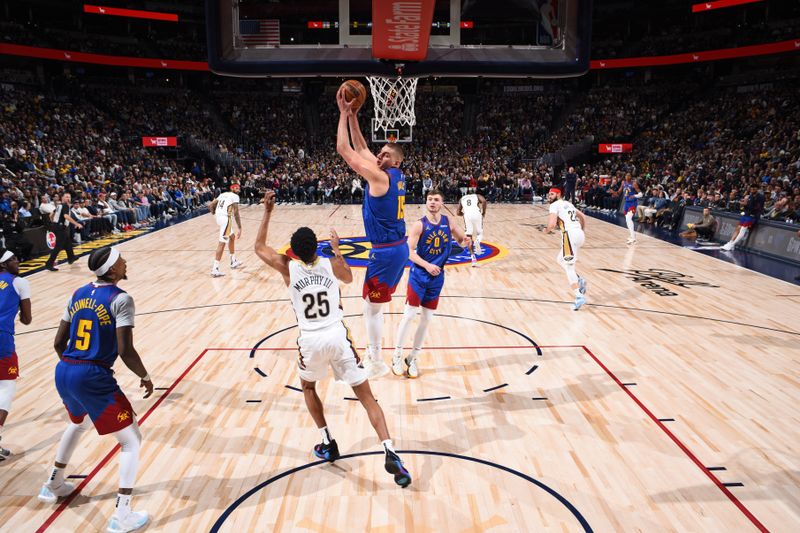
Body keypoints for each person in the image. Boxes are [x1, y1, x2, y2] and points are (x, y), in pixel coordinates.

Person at [253, 191, 411, 487]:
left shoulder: (288, 267)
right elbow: (349, 278)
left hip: (310, 340)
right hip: (338, 337)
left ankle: (327, 441)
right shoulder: (329, 263)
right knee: (366, 396)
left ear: (295, 252)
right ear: (317, 247)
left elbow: (259, 246)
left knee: (309, 387)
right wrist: (337, 251)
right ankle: (390, 450)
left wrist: (268, 212)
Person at [38, 247, 154, 533]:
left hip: (65, 368)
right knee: (131, 440)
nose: (126, 262)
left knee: (77, 424)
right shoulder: (121, 299)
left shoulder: (77, 293)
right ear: (113, 271)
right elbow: (126, 350)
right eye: (121, 260)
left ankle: (52, 482)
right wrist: (146, 375)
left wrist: (73, 367)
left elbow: (57, 342)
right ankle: (122, 515)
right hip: (92, 375)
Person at [335, 86, 408, 379]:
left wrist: (341, 113)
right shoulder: (393, 174)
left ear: (396, 161)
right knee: (371, 306)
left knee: (371, 309)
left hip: (387, 252)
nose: (379, 155)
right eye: (381, 152)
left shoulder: (379, 176)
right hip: (394, 249)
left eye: (386, 154)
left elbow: (346, 150)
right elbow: (363, 148)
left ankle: (376, 361)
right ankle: (374, 355)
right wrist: (354, 116)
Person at [392, 190, 470, 378]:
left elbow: (461, 240)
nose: (433, 202)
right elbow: (409, 252)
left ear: (442, 203)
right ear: (426, 202)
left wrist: (466, 241)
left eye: (436, 200)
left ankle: (413, 357)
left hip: (437, 277)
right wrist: (427, 265)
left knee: (426, 319)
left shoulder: (448, 222)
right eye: (430, 199)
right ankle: (396, 355)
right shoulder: (419, 225)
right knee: (409, 315)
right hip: (419, 275)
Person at [0, 250, 31, 460]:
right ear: (3, 264)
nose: (17, 261)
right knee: (6, 388)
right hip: (2, 340)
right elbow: (27, 319)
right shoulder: (19, 282)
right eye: (12, 259)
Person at [544, 188, 588, 311]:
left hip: (570, 236)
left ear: (558, 194)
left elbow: (552, 224)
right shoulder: (569, 204)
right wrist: (582, 231)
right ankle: (579, 279)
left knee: (569, 267)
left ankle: (579, 296)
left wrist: (546, 230)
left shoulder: (554, 205)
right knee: (559, 259)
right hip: (579, 234)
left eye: (552, 194)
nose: (550, 196)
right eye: (549, 194)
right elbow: (583, 216)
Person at [208, 183, 243, 277]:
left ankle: (233, 261)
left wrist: (216, 215)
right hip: (225, 220)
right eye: (236, 187)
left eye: (239, 188)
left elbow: (211, 205)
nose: (238, 189)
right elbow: (236, 212)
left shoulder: (222, 194)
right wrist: (240, 227)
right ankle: (215, 269)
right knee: (222, 243)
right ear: (232, 188)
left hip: (220, 218)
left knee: (232, 237)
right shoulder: (235, 196)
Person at [44, 192, 83, 271]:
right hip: (60, 227)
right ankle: (49, 263)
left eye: (69, 197)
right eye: (66, 197)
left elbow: (51, 215)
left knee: (67, 242)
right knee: (58, 246)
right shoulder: (65, 206)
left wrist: (54, 222)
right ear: (62, 198)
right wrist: (76, 224)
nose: (68, 199)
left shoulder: (59, 206)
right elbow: (66, 216)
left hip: (57, 226)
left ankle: (71, 257)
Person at [721, 183, 765, 251]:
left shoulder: (760, 197)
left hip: (752, 216)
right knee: (738, 228)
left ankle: (732, 245)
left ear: (757, 189)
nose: (752, 189)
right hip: (746, 214)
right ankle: (730, 242)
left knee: (742, 230)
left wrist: (745, 204)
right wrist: (744, 205)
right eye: (751, 188)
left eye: (754, 188)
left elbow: (757, 208)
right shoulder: (750, 195)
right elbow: (748, 206)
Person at [456, 191, 487, 266]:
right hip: (477, 213)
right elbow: (484, 201)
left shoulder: (462, 199)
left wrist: (463, 214)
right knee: (480, 233)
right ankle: (477, 241)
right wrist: (483, 212)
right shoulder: (476, 195)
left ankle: (473, 259)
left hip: (467, 216)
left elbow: (458, 212)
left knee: (469, 237)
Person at [621, 173, 641, 244]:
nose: (627, 177)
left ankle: (633, 238)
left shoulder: (634, 184)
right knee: (627, 220)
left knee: (629, 219)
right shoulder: (623, 183)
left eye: (628, 175)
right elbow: (620, 191)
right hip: (626, 203)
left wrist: (634, 196)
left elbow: (641, 194)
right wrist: (614, 192)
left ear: (631, 177)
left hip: (632, 203)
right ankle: (632, 235)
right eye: (626, 175)